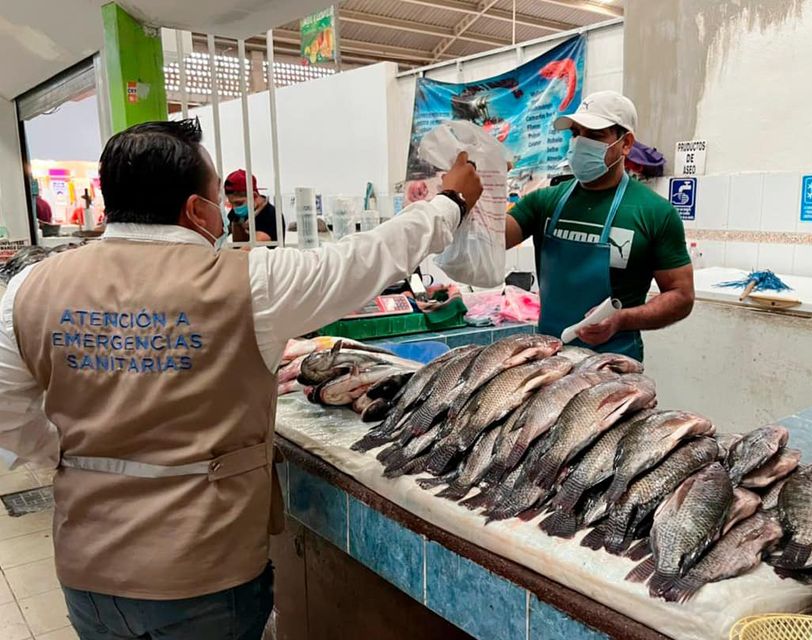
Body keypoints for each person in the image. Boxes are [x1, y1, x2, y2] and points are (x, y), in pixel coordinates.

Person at [0, 119, 481, 639]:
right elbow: (363, 260)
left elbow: (4, 417)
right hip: (204, 575)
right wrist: (450, 201)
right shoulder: (250, 284)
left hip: (87, 569)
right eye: (217, 199)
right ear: (195, 210)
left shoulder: (32, 287)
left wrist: (68, 455)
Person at [506, 90, 695, 361]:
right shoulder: (545, 202)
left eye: (594, 136)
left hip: (612, 368)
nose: (580, 143)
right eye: (576, 134)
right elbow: (493, 239)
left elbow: (681, 295)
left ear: (625, 143)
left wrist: (621, 320)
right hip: (548, 360)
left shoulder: (654, 212)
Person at [223, 169, 284, 243]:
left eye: (239, 203)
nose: (235, 208)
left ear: (254, 196)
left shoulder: (272, 215)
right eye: (231, 204)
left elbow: (255, 245)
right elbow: (222, 232)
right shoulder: (236, 212)